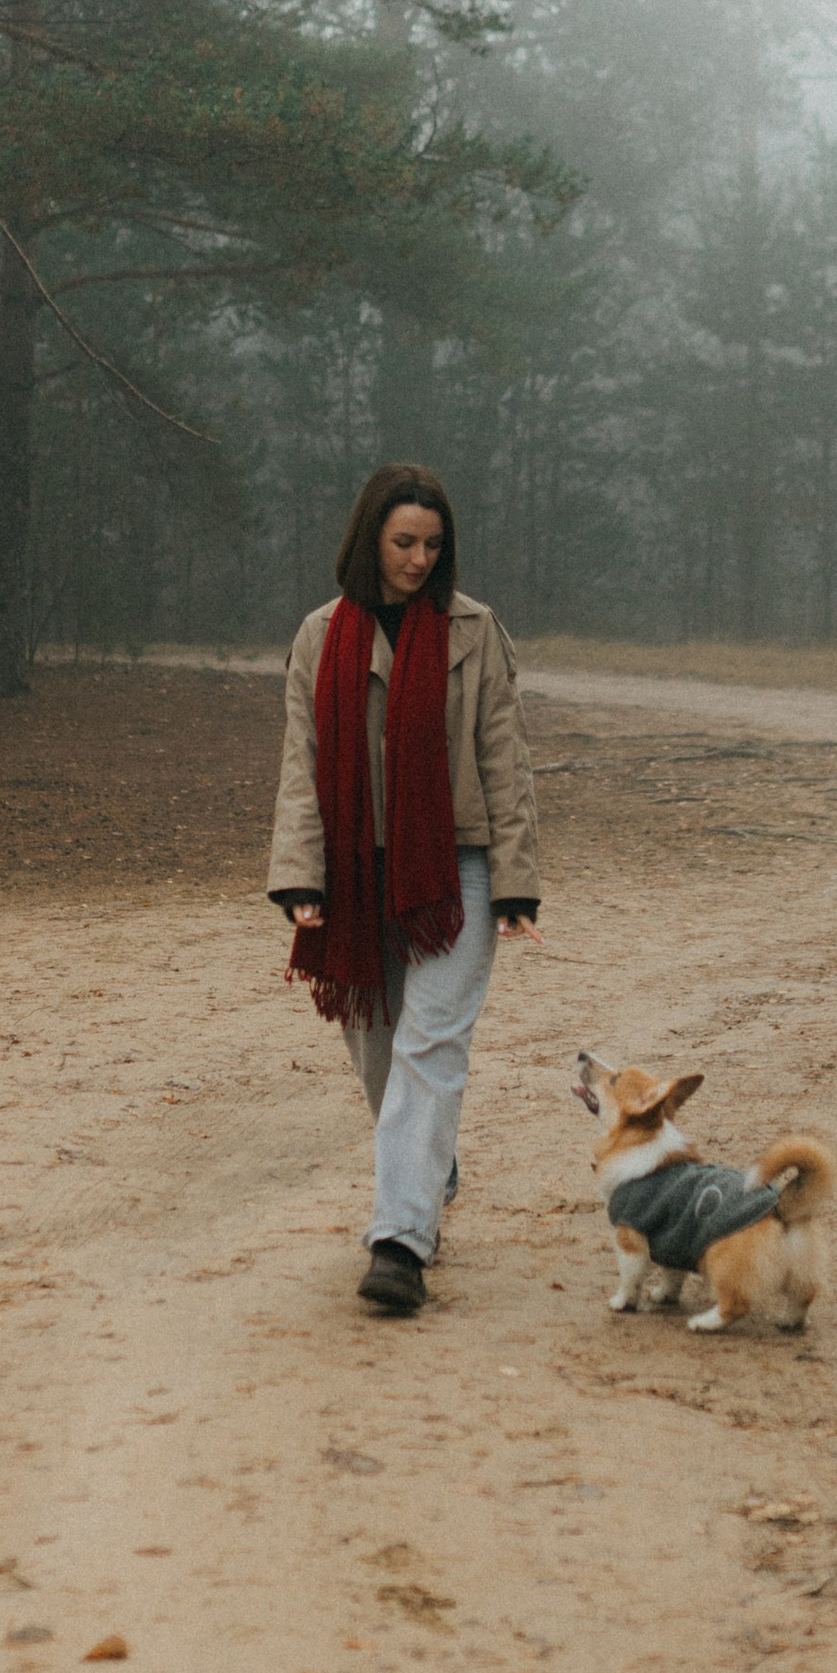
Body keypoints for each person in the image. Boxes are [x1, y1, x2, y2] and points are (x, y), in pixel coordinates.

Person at [268, 461, 542, 1317]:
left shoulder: (474, 630)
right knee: (378, 1049)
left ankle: (399, 1242)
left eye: (433, 544)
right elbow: (302, 763)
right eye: (403, 543)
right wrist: (299, 876)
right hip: (356, 871)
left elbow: (505, 756)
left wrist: (515, 883)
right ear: (369, 540)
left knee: (430, 1044)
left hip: (454, 869)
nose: (419, 560)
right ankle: (430, 1165)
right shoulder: (322, 635)